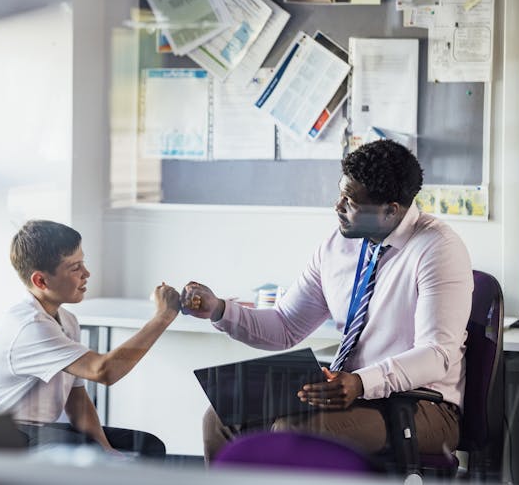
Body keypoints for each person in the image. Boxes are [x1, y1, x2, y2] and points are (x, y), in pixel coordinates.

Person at [181, 140, 473, 461]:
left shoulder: (437, 249)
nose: (337, 206)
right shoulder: (338, 246)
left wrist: (362, 383)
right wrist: (219, 309)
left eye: (351, 202)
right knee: (221, 418)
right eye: (340, 194)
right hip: (347, 392)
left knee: (291, 431)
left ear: (391, 209)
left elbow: (437, 354)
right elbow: (285, 326)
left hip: (422, 405)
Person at [0, 219, 180, 457]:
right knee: (86, 455)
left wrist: (107, 449)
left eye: (83, 263)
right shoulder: (29, 326)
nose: (87, 273)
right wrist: (163, 317)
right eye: (75, 268)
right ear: (40, 281)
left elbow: (77, 399)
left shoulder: (67, 319)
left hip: (39, 429)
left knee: (148, 445)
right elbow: (104, 371)